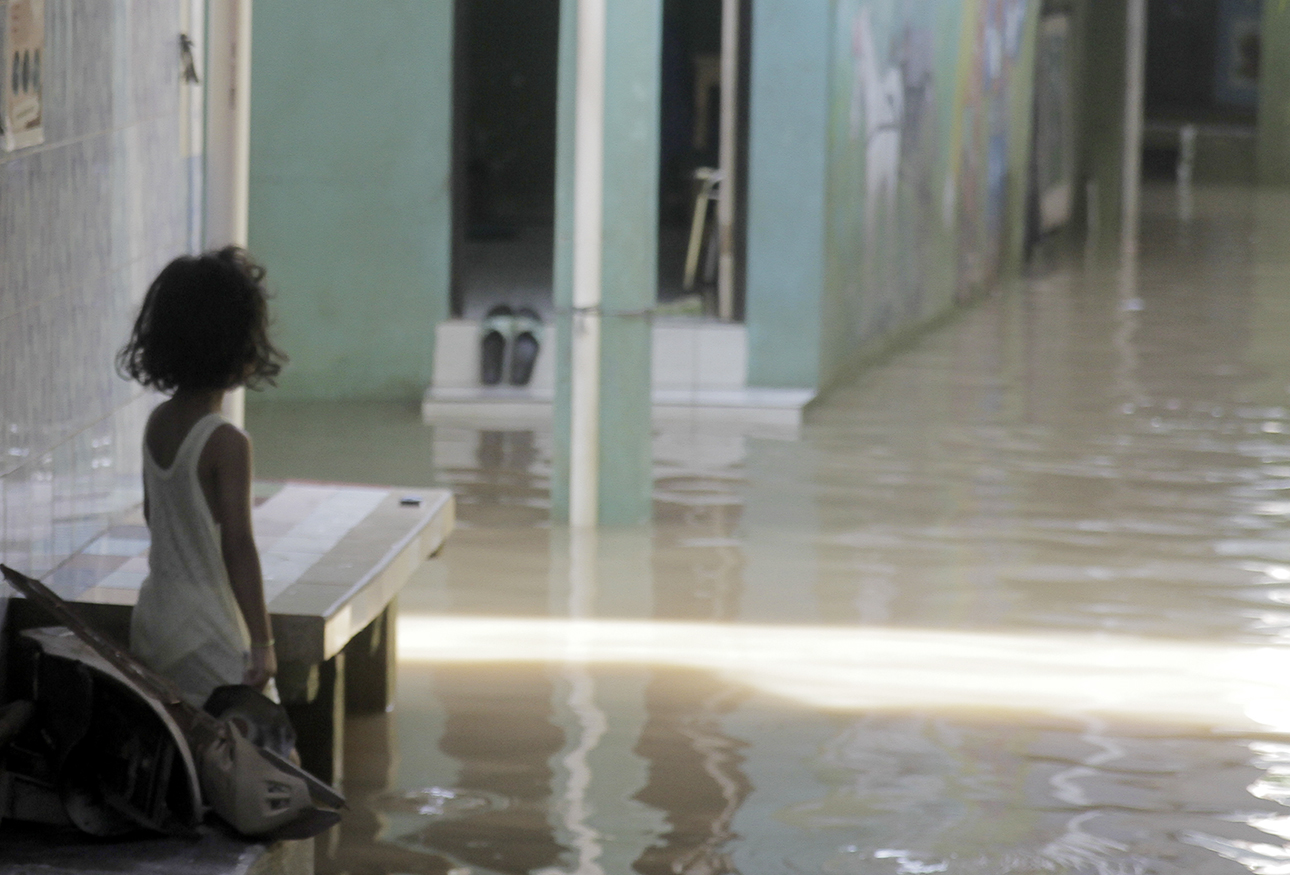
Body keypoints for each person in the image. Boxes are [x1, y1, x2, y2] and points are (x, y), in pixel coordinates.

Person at [116, 247, 288, 707]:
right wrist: (263, 641)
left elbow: (157, 518)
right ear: (240, 345)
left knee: (182, 737)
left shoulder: (158, 424)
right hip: (207, 627)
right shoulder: (227, 442)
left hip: (156, 615)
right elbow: (238, 546)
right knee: (253, 745)